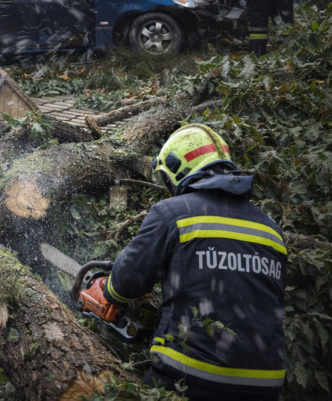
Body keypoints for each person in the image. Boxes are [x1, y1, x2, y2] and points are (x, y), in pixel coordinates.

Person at [90, 124, 286, 400]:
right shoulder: (272, 229)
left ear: (177, 170)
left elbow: (122, 284)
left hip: (190, 377)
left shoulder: (174, 213)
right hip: (268, 385)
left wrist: (107, 288)